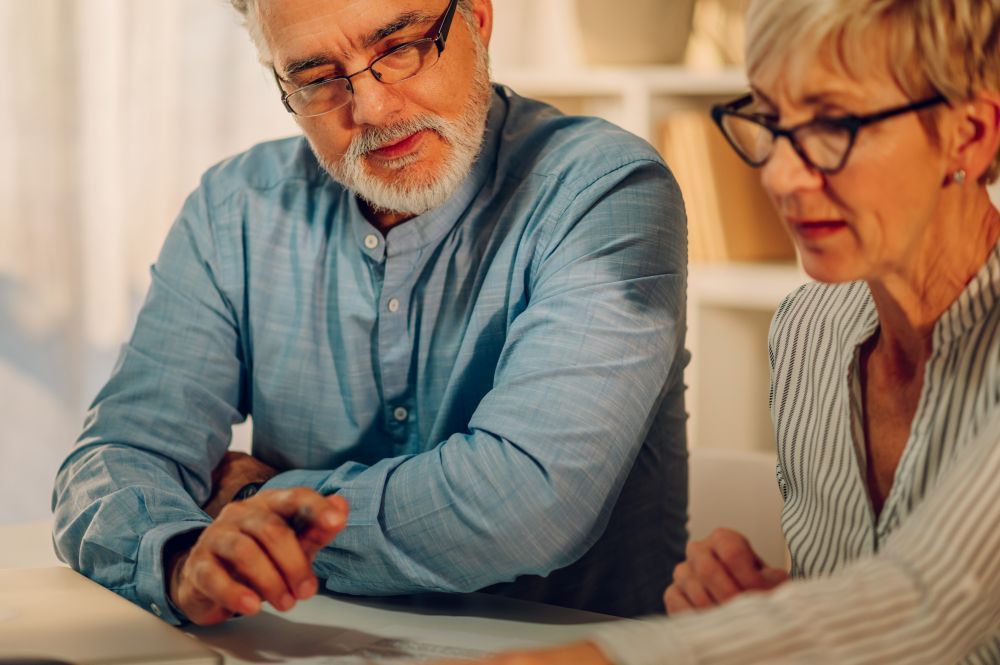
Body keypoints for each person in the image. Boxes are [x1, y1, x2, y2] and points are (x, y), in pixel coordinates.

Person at [50, 0, 690, 627]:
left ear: (480, 21)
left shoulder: (604, 189)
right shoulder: (234, 208)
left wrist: (253, 501)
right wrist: (183, 558)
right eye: (316, 77)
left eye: (402, 47)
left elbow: (526, 505)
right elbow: (119, 454)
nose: (374, 109)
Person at [432, 0, 1000, 663]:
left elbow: (927, 601)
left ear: (970, 134)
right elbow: (878, 607)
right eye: (771, 120)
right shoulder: (809, 330)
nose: (781, 175)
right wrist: (779, 608)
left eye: (834, 123)